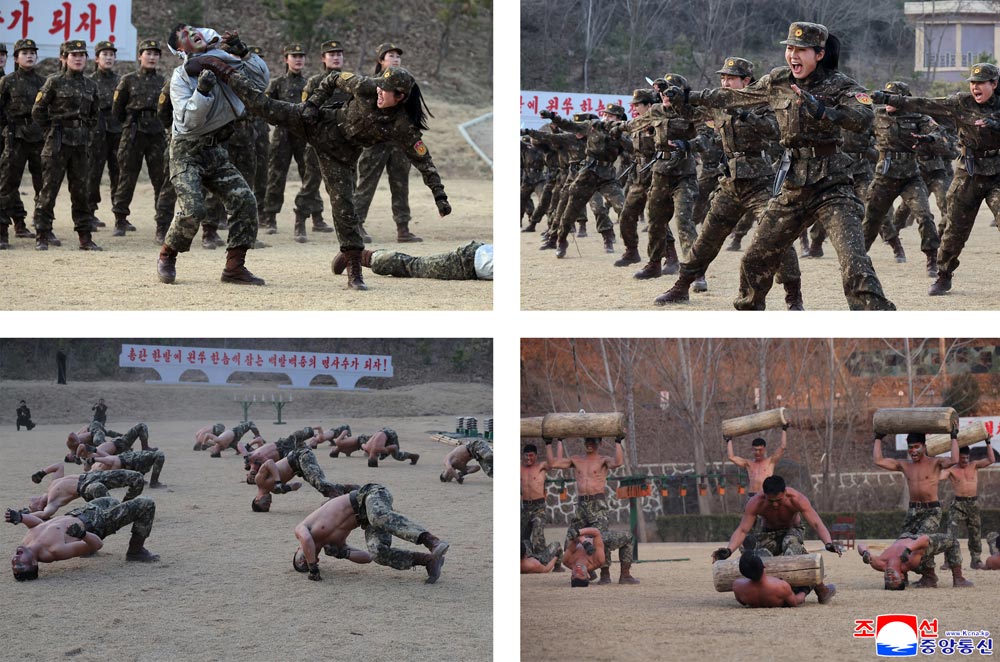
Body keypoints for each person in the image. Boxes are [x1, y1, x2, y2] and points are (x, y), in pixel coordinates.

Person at [665, 22, 895, 310]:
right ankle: (750, 313)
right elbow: (733, 97)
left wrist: (825, 111)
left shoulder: (841, 84)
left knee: (854, 261)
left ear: (819, 54)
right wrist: (688, 97)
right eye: (789, 49)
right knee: (754, 259)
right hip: (794, 183)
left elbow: (864, 117)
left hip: (832, 184)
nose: (793, 56)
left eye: (801, 50)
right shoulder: (778, 81)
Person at [187, 57, 451, 291]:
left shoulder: (403, 126)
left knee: (345, 210)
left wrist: (440, 197)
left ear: (401, 97)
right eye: (380, 86)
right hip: (318, 123)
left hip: (340, 156)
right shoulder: (367, 87)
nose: (380, 91)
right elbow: (333, 78)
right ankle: (222, 69)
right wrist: (313, 104)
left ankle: (354, 270)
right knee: (264, 107)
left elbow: (424, 160)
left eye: (387, 90)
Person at [655, 57, 803, 309]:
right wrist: (676, 99)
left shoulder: (763, 102)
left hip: (759, 182)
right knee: (708, 237)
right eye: (722, 77)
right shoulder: (719, 104)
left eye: (730, 78)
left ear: (746, 81)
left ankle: (793, 296)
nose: (725, 82)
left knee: (777, 235)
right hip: (731, 183)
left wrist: (744, 114)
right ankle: (682, 286)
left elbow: (774, 131)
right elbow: (692, 115)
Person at [871, 62, 1000, 296]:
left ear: (994, 84)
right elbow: (924, 104)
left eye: (981, 83)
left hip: (997, 172)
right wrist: (890, 99)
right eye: (972, 82)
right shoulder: (961, 102)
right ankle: (943, 275)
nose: (975, 87)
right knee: (954, 229)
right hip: (969, 172)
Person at [157, 25, 270, 286]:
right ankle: (167, 254)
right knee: (193, 208)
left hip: (214, 149)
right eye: (184, 34)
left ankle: (234, 268)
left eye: (193, 29)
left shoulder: (224, 59)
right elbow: (188, 123)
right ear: (180, 48)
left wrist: (244, 53)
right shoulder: (180, 78)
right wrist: (203, 92)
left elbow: (261, 83)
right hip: (186, 150)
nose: (192, 32)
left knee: (244, 200)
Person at [861, 81, 942, 276]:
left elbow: (938, 133)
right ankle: (859, 259)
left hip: (910, 177)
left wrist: (929, 139)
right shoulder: (877, 115)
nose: (888, 99)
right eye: (886, 95)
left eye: (893, 95)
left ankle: (932, 259)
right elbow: (858, 131)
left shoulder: (918, 117)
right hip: (884, 176)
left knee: (924, 216)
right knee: (871, 218)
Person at [291, 483, 449, 583]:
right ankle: (429, 561)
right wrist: (343, 553)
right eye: (304, 565)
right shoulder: (333, 545)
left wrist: (312, 568)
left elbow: (306, 539)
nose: (303, 562)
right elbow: (367, 558)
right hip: (369, 519)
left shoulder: (303, 528)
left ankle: (432, 541)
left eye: (300, 561)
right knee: (378, 553)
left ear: (299, 550)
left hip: (369, 495)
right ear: (317, 558)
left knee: (377, 517)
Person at [353, 43, 423, 243]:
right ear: (381, 61)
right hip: (376, 141)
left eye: (397, 56)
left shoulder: (406, 83)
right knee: (367, 183)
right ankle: (356, 225)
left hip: (399, 142)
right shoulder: (372, 83)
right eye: (390, 55)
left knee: (401, 184)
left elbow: (413, 111)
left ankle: (403, 228)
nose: (395, 59)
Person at [545, 436, 638, 584]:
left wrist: (618, 442)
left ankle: (608, 575)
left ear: (600, 443)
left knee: (600, 537)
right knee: (569, 540)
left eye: (593, 441)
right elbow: (554, 462)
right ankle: (589, 570)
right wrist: (552, 442)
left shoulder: (603, 460)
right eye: (587, 440)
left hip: (597, 503)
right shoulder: (576, 459)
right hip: (581, 505)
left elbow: (618, 462)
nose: (589, 443)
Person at [873, 430, 960, 585]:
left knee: (920, 542)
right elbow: (878, 460)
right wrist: (878, 438)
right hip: (913, 511)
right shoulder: (905, 465)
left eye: (916, 447)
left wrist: (953, 437)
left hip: (931, 510)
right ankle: (902, 575)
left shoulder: (935, 463)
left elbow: (954, 459)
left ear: (924, 447)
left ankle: (929, 576)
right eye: (910, 447)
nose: (913, 450)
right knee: (902, 542)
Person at [35, 41, 98, 249]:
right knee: (49, 190)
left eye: (82, 55)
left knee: (81, 191)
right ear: (63, 58)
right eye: (73, 55)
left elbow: (94, 115)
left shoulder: (90, 85)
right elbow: (38, 110)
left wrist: (86, 132)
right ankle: (42, 234)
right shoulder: (54, 82)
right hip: (57, 143)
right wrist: (51, 131)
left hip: (80, 145)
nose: (78, 58)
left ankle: (85, 237)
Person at [540, 104, 627, 255]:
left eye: (611, 116)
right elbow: (570, 125)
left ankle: (610, 238)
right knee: (570, 209)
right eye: (605, 114)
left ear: (618, 119)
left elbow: (633, 148)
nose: (606, 117)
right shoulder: (592, 126)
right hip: (587, 175)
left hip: (607, 177)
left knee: (612, 208)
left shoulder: (621, 133)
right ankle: (561, 239)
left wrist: (619, 133)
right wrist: (553, 117)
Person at [7, 495, 159, 580]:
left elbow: (39, 524)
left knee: (111, 499)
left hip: (83, 511)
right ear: (34, 562)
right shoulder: (55, 551)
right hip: (98, 523)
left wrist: (21, 517)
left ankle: (86, 552)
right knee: (146, 503)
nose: (15, 561)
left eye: (13, 564)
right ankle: (135, 551)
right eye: (20, 565)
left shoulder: (27, 542)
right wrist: (82, 534)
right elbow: (97, 544)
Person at [260, 43, 324, 240]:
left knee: (310, 175)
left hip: (304, 136)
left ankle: (316, 216)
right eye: (294, 56)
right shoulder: (277, 83)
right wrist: (278, 119)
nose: (298, 59)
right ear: (286, 59)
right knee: (276, 176)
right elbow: (265, 107)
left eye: (301, 56)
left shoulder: (309, 83)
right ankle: (269, 217)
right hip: (283, 136)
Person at [111, 39, 167, 236]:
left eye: (155, 54)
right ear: (139, 56)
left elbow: (169, 109)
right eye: (148, 53)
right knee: (126, 177)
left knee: (160, 179)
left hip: (157, 134)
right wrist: (129, 123)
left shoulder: (163, 82)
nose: (151, 57)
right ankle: (120, 219)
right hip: (133, 132)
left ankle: (162, 224)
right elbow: (117, 110)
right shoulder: (128, 80)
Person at [712, 475, 842, 560]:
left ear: (785, 492)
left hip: (793, 530)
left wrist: (828, 543)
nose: (774, 504)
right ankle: (766, 566)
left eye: (778, 500)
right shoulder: (756, 502)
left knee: (790, 543)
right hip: (769, 534)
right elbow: (742, 530)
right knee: (746, 547)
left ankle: (809, 584)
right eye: (770, 501)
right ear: (764, 495)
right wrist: (728, 551)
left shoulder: (797, 499)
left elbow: (816, 524)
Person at [297, 40, 347, 240]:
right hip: (318, 143)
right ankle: (300, 221)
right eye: (331, 54)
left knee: (346, 188)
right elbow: (304, 113)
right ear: (323, 58)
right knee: (310, 184)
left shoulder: (350, 81)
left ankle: (350, 228)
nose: (336, 57)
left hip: (344, 145)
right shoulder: (314, 82)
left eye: (339, 54)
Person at [0, 39, 44, 248]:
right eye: (24, 52)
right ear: (16, 58)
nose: (29, 56)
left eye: (32, 52)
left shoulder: (44, 82)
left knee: (43, 186)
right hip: (15, 137)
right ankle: (2, 232)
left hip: (39, 138)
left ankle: (44, 231)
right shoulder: (6, 82)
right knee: (7, 185)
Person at [939, 438, 996, 569]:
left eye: (967, 458)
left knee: (975, 532)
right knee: (951, 533)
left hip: (973, 503)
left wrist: (988, 443)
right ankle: (949, 561)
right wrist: (939, 465)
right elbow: (940, 477)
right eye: (962, 458)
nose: (965, 460)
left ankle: (976, 560)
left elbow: (991, 460)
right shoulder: (952, 469)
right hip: (958, 504)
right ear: (957, 457)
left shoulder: (974, 465)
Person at [251, 447, 356, 511]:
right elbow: (297, 486)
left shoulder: (259, 481)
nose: (269, 502)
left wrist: (278, 481)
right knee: (321, 485)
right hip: (298, 468)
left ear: (257, 499)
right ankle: (346, 488)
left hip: (298, 457)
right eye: (269, 505)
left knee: (320, 483)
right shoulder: (275, 490)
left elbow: (269, 462)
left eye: (265, 503)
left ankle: (336, 496)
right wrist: (289, 488)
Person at [17, 469, 147, 520]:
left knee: (137, 477)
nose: (31, 501)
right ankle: (119, 513)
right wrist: (23, 516)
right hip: (86, 487)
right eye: (31, 506)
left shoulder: (51, 485)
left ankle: (126, 504)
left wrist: (42, 472)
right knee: (98, 488)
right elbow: (45, 514)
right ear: (39, 507)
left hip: (92, 475)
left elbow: (59, 466)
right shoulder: (52, 503)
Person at [87, 41, 121, 230]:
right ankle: (90, 213)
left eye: (111, 54)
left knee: (118, 174)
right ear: (96, 58)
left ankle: (120, 216)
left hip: (116, 131)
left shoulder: (120, 81)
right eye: (104, 54)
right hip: (96, 133)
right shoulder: (90, 81)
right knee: (93, 173)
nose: (108, 58)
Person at [858, 533, 973, 588]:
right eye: (893, 579)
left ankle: (929, 578)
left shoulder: (880, 564)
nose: (889, 577)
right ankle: (958, 579)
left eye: (887, 581)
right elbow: (925, 539)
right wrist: (909, 549)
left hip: (903, 536)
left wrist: (864, 553)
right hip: (918, 543)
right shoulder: (910, 561)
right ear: (902, 577)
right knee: (952, 541)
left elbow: (861, 544)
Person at [334, 241, 492, 280]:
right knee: (413, 266)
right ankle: (362, 256)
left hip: (476, 259)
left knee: (414, 265)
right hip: (468, 262)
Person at [732, 552, 836, 607]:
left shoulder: (737, 586)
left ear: (743, 572)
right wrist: (805, 590)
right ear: (764, 566)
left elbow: (742, 602)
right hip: (781, 593)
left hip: (759, 592)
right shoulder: (781, 586)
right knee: (811, 576)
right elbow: (795, 602)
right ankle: (823, 591)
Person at [521, 442, 563, 569]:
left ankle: (544, 561)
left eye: (531, 456)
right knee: (522, 537)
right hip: (525, 507)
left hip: (539, 507)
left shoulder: (541, 466)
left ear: (536, 456)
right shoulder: (519, 467)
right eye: (526, 456)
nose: (528, 458)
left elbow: (555, 462)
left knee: (537, 535)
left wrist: (555, 442)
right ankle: (528, 560)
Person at [726, 426, 788, 496]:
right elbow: (731, 457)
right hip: (752, 495)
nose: (757, 452)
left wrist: (784, 429)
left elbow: (783, 447)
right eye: (755, 450)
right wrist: (729, 440)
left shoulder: (770, 461)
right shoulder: (748, 463)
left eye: (760, 450)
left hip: (765, 495)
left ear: (764, 449)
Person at [81, 449, 167, 488]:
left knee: (156, 456)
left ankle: (149, 481)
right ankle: (153, 483)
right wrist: (94, 457)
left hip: (128, 459)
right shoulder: (98, 470)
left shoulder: (96, 467)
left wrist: (95, 454)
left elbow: (107, 458)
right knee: (159, 455)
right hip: (129, 460)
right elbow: (108, 460)